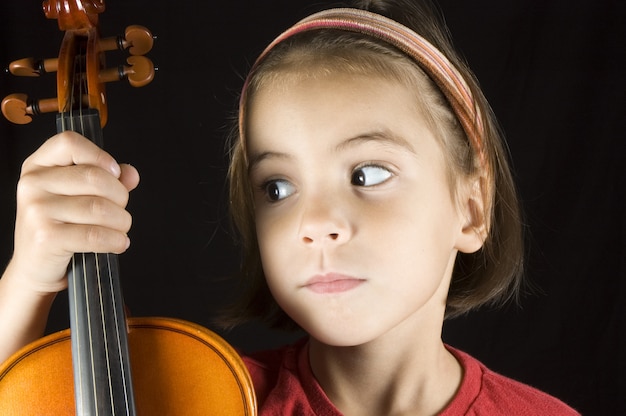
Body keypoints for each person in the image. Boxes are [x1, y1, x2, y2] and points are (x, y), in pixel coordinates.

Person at [0, 0, 580, 414]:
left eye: (367, 173)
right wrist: (29, 280)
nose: (315, 223)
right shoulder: (197, 401)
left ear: (471, 209)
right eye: (277, 188)